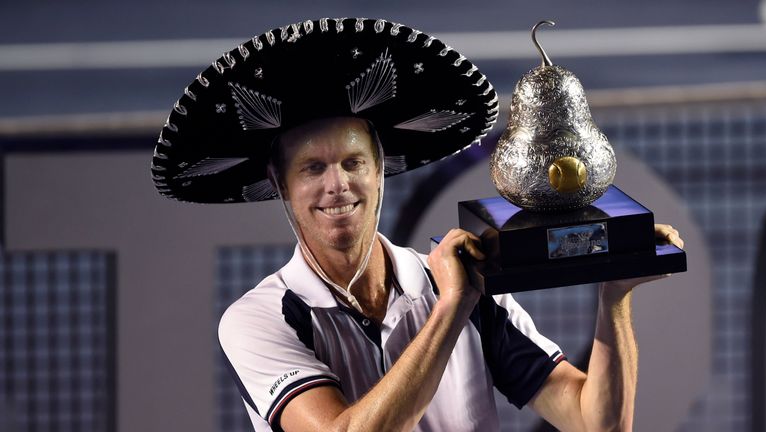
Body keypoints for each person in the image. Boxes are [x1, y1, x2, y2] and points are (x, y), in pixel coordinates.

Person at [151, 18, 685, 432]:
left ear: (381, 171)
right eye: (312, 168)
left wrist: (614, 298)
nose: (337, 185)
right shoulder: (259, 320)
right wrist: (452, 308)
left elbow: (599, 422)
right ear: (280, 183)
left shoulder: (466, 286)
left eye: (353, 163)